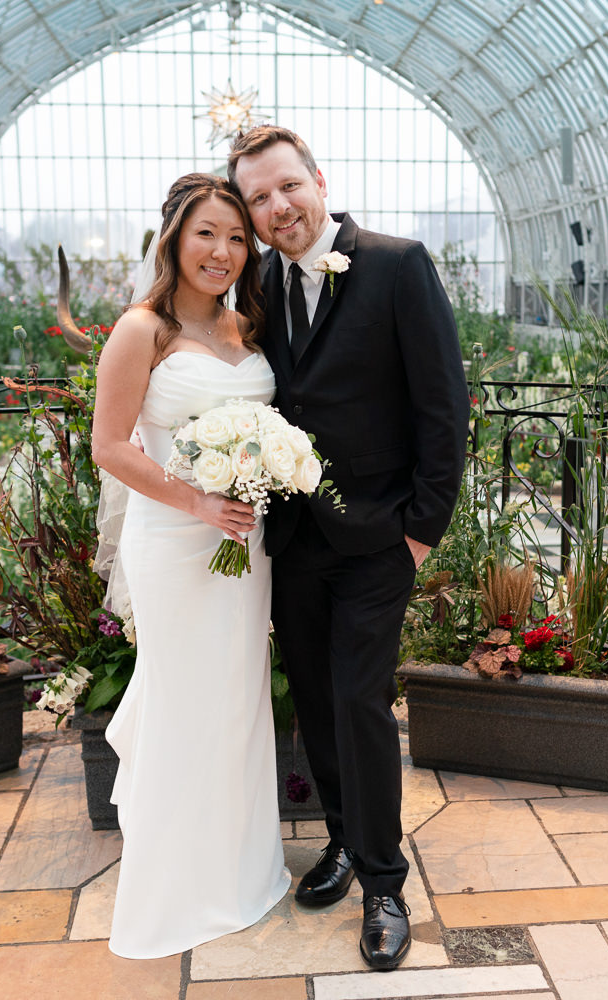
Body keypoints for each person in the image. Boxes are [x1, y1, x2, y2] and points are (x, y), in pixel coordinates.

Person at [227, 126, 469, 971]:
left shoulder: (398, 265)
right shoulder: (253, 283)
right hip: (292, 538)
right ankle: (338, 838)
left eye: (286, 186)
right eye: (257, 198)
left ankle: (384, 882)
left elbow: (445, 406)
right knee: (319, 703)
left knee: (361, 701)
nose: (276, 207)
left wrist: (420, 533)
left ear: (318, 180)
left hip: (378, 539)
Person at [91, 173, 290, 959]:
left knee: (239, 701)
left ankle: (243, 873)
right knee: (184, 701)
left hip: (247, 545)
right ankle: (174, 889)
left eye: (238, 237)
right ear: (174, 236)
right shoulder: (144, 329)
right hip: (176, 545)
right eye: (207, 232)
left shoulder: (250, 328)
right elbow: (109, 446)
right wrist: (198, 504)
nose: (223, 251)